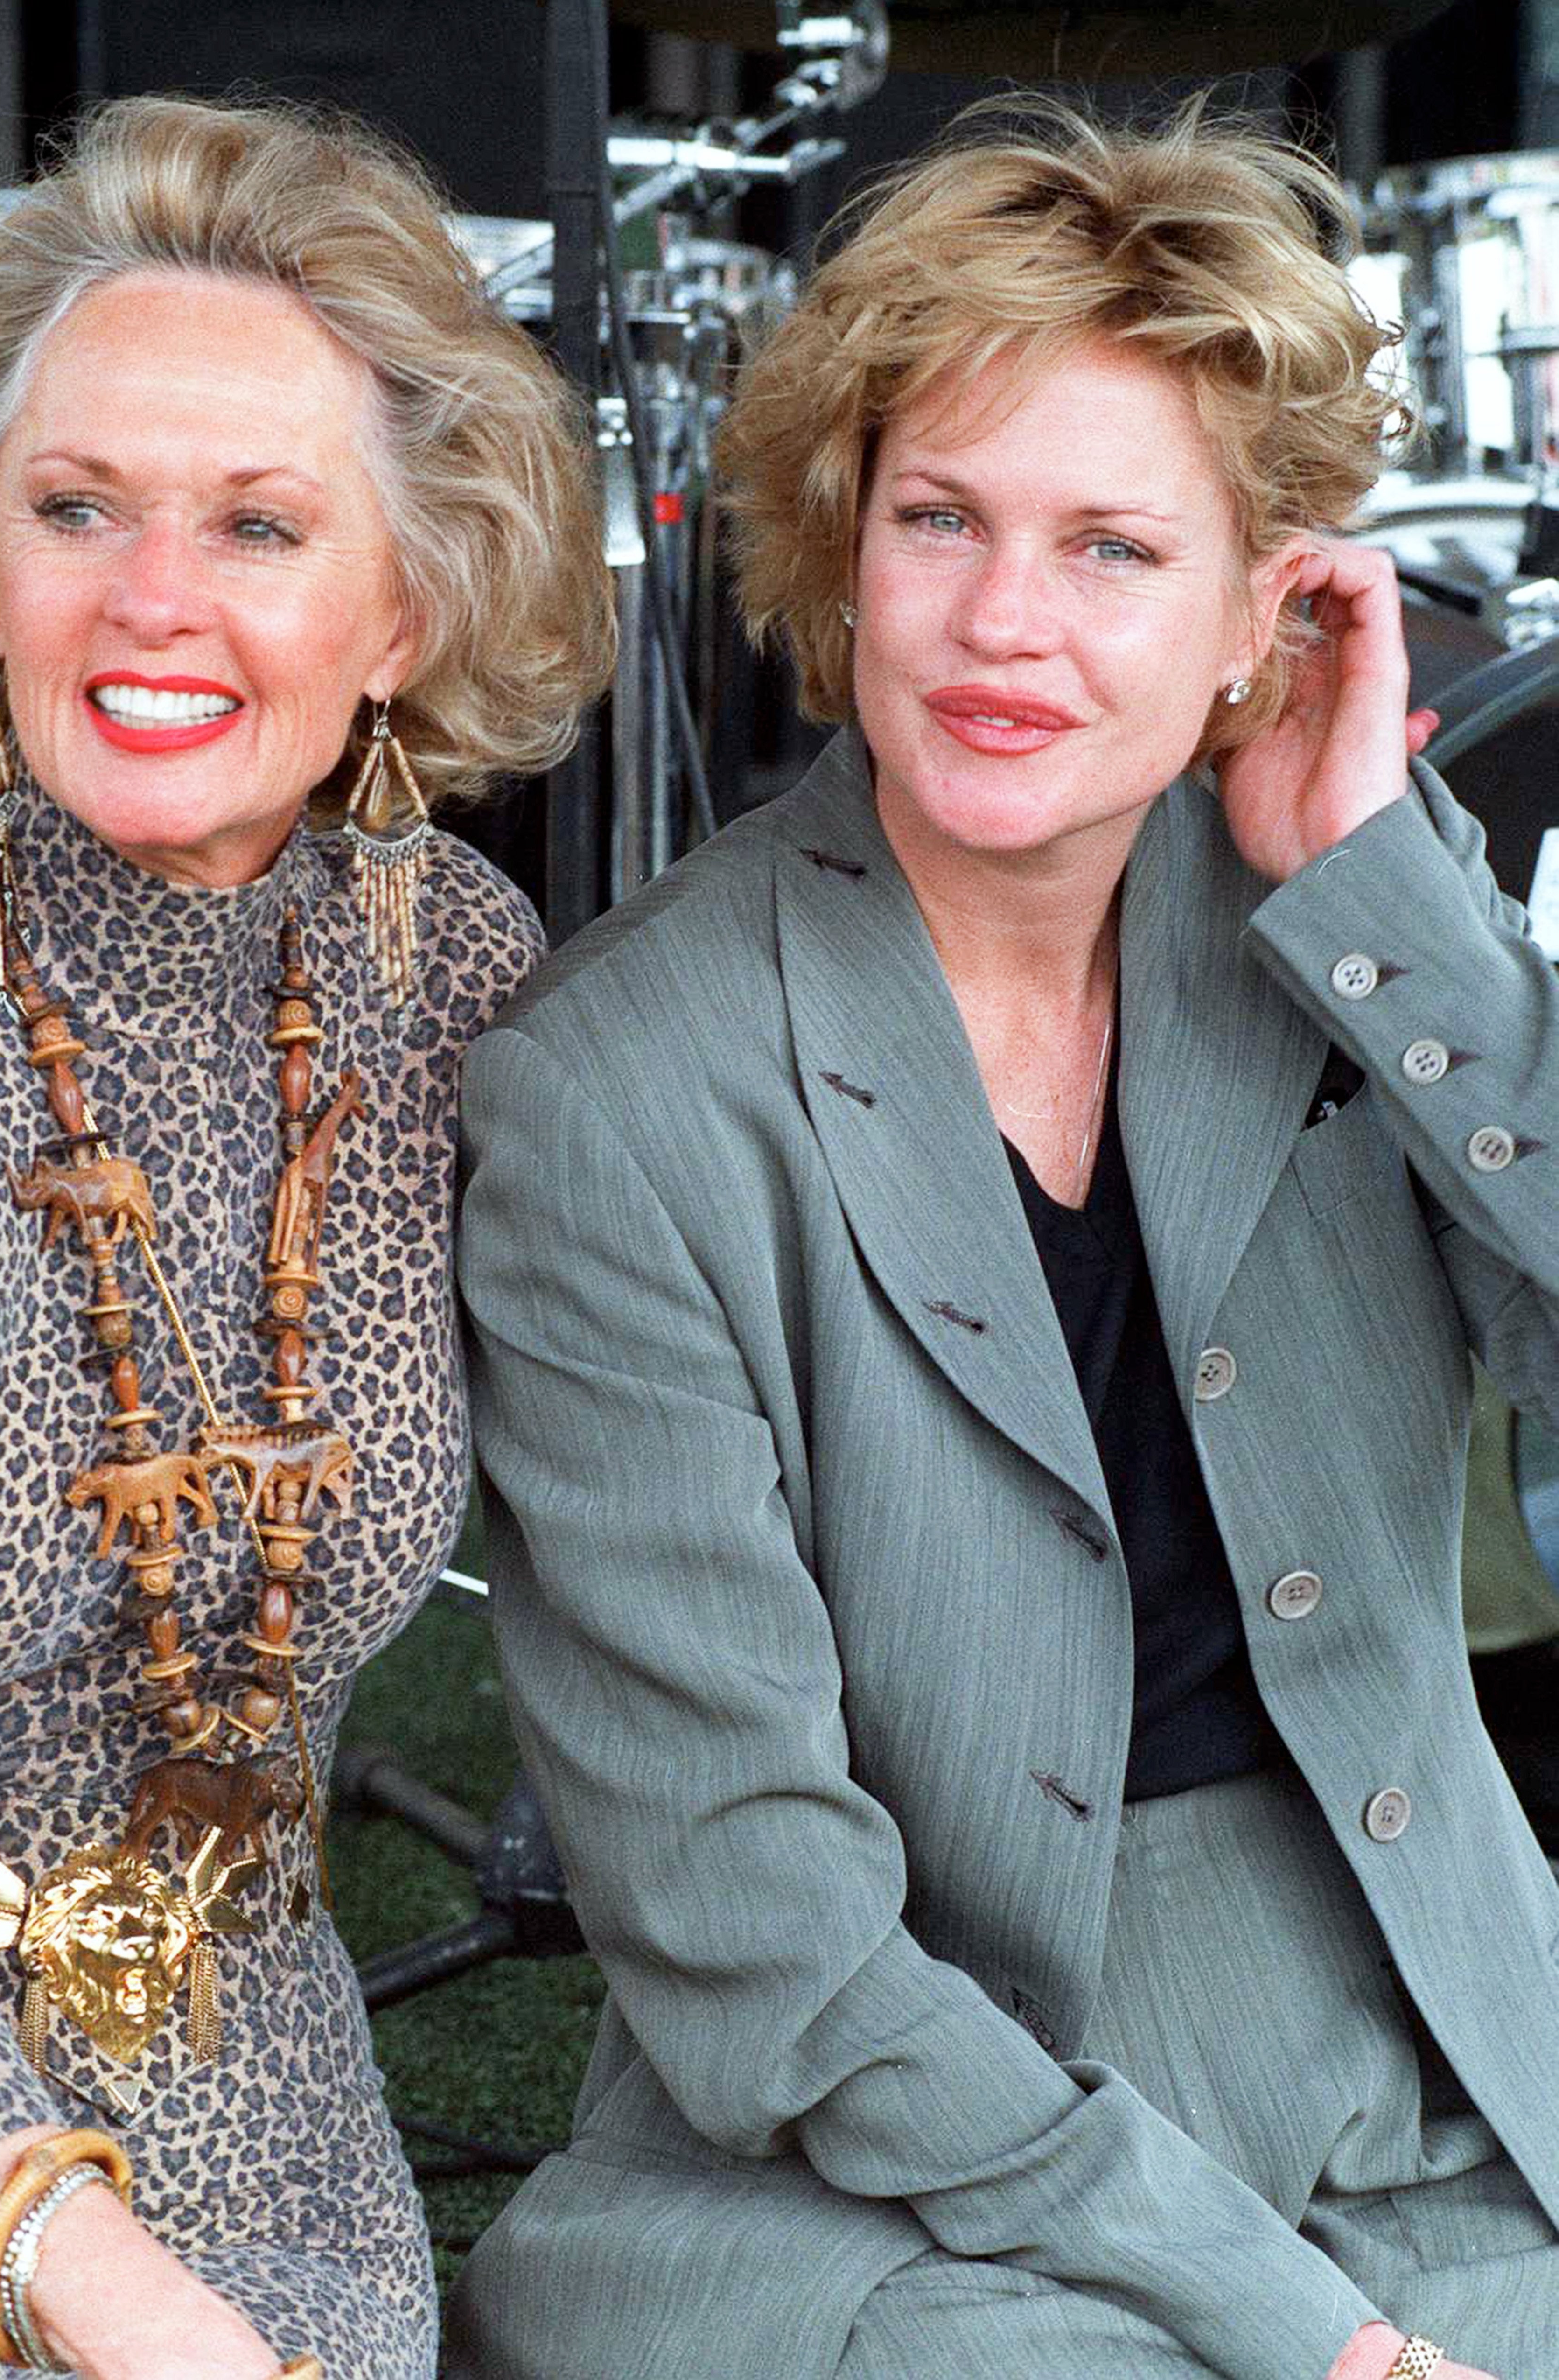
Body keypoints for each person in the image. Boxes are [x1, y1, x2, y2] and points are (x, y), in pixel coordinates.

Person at [447, 96, 1559, 2380]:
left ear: (1269, 601)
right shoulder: (617, 1085)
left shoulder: (1349, 908)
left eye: (1110, 550)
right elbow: (758, 1933)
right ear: (841, 546)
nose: (998, 626)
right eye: (936, 518)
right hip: (897, 2154)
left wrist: (1385, 907)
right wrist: (1316, 2347)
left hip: (1434, 2039)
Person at [0, 92, 612, 2380]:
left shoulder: (450, 974)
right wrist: (115, 2298)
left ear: (405, 606)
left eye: (259, 525)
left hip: (283, 2161)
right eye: (75, 511)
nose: (153, 600)